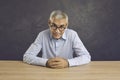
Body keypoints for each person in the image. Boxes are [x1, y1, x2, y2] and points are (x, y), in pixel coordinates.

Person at [23, 10, 91, 69]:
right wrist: (45, 62)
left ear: (66, 25)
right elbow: (27, 56)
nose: (57, 31)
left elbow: (86, 57)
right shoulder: (42, 35)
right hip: (46, 72)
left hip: (68, 72)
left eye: (61, 27)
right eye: (54, 26)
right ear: (49, 23)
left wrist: (68, 63)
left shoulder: (72, 35)